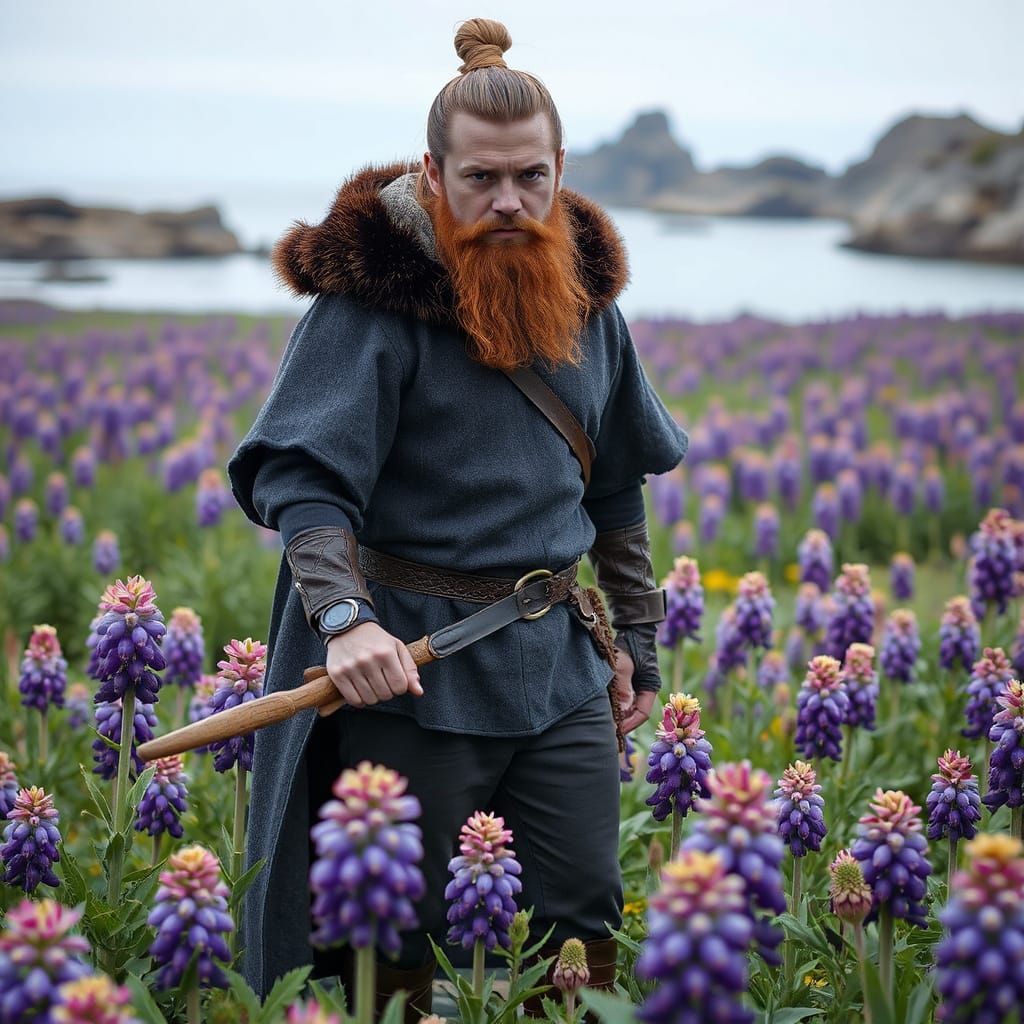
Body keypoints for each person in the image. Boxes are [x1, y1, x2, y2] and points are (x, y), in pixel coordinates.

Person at [227, 17, 688, 1015]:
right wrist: (344, 623)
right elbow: (306, 483)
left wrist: (636, 641)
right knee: (390, 932)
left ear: (559, 168)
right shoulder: (368, 308)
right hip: (409, 669)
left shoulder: (589, 307)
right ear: (434, 176)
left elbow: (611, 490)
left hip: (560, 664)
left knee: (579, 916)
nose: (509, 200)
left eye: (529, 175)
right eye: (481, 178)